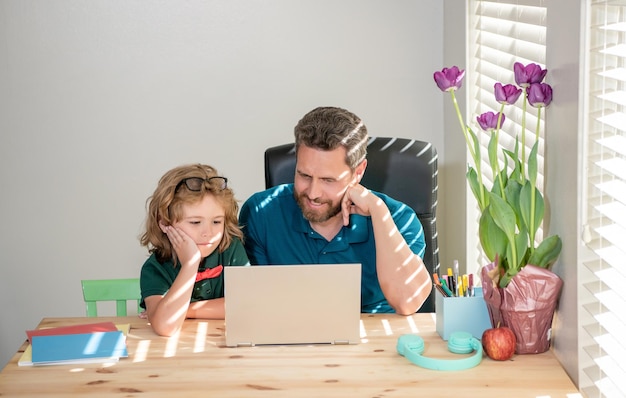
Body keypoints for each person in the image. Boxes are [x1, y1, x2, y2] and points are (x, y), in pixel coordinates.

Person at [239, 106, 432, 315]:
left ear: (358, 172)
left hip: (376, 341)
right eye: (304, 175)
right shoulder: (260, 213)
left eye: (328, 180)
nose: (313, 193)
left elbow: (407, 303)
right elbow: (255, 303)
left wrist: (378, 213)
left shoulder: (398, 219)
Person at [139, 163, 249, 336]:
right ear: (165, 223)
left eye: (217, 221)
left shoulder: (231, 250)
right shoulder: (155, 268)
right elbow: (166, 327)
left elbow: (246, 306)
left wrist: (186, 310)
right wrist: (190, 264)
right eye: (195, 222)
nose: (208, 233)